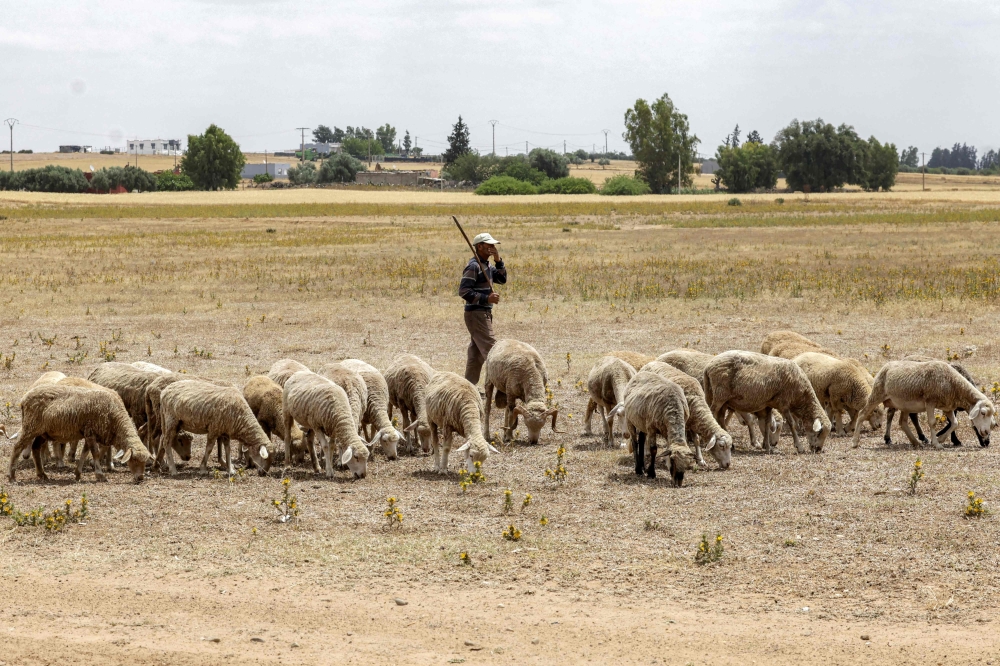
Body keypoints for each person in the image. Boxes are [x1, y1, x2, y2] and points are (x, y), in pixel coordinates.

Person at [459, 232, 507, 384]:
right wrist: (487, 298)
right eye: (489, 245)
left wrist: (498, 260)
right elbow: (464, 291)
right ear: (479, 246)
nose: (492, 247)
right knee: (492, 351)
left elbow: (502, 279)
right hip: (476, 314)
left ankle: (468, 386)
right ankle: (501, 388)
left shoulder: (487, 265)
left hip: (484, 313)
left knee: (476, 354)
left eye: (493, 245)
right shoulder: (474, 266)